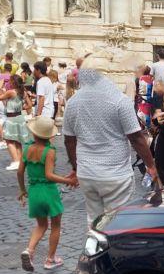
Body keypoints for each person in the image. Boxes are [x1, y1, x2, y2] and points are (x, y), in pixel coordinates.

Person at [63, 66, 157, 228]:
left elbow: (69, 141)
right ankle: (113, 250)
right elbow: (136, 138)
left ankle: (94, 250)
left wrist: (75, 167)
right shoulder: (120, 100)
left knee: (94, 219)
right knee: (118, 221)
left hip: (87, 172)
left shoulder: (72, 103)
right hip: (116, 173)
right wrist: (150, 164)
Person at [17, 116, 77, 271]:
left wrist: (23, 190)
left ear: (34, 133)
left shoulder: (27, 148)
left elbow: (19, 171)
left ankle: (29, 251)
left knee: (41, 225)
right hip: (49, 191)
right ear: (50, 135)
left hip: (34, 191)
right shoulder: (49, 151)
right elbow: (49, 175)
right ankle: (50, 259)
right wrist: (67, 181)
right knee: (55, 225)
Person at [0, 74, 33, 170]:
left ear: (13, 82)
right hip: (20, 117)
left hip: (11, 118)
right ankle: (20, 161)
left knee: (9, 140)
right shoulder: (23, 92)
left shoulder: (11, 92)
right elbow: (30, 104)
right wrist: (21, 107)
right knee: (18, 141)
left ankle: (16, 161)